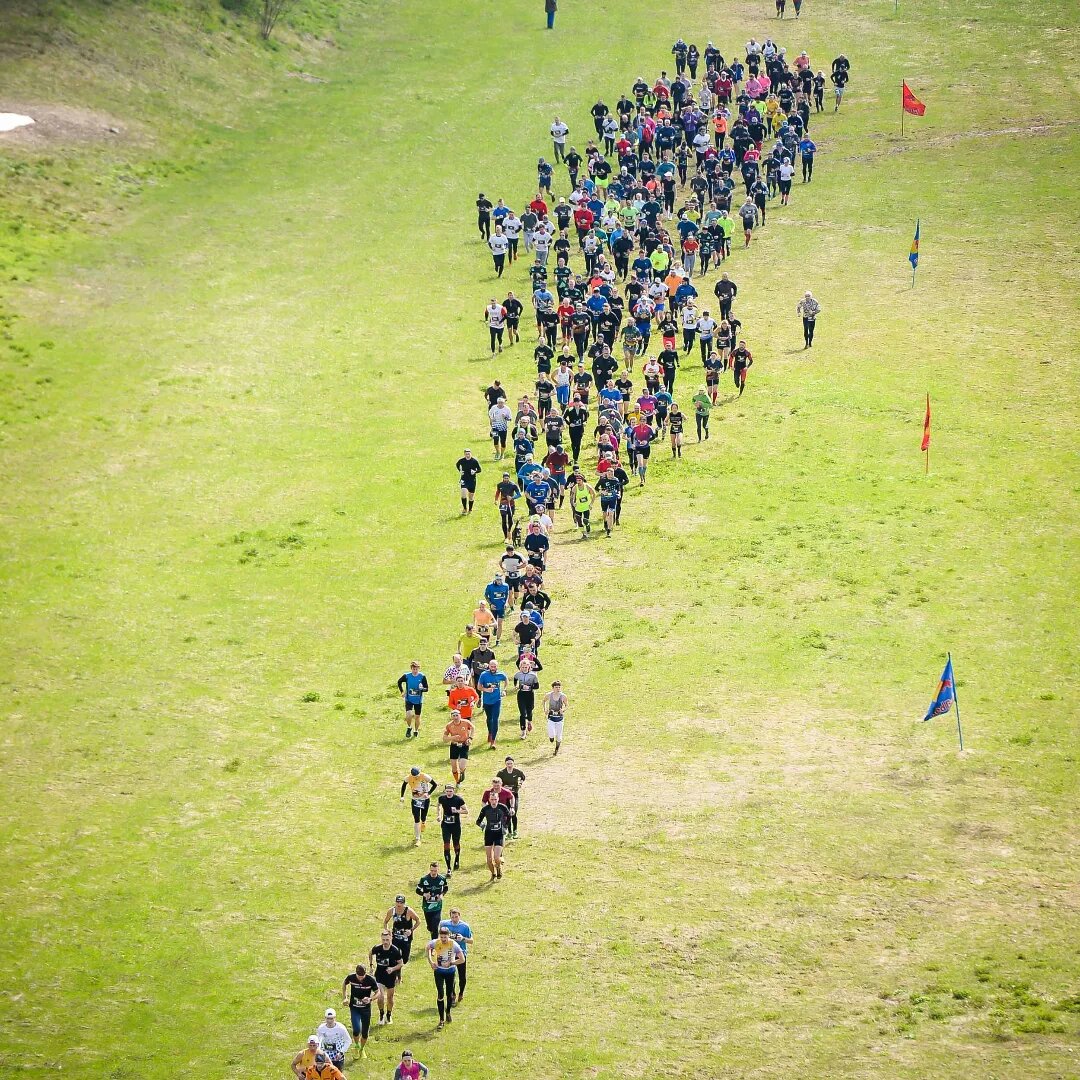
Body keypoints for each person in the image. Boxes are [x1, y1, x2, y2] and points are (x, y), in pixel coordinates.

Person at [427, 925, 465, 1029]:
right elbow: (428, 948)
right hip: (438, 971)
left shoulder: (454, 944)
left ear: (448, 936)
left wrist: (452, 962)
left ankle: (448, 1012)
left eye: (445, 937)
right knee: (440, 994)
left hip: (450, 972)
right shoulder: (435, 942)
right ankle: (441, 1020)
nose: (443, 939)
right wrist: (431, 962)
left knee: (449, 994)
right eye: (442, 937)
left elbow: (462, 959)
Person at [342, 965, 379, 1060]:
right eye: (359, 976)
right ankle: (357, 1046)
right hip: (354, 1008)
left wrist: (370, 999)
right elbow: (344, 984)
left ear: (365, 973)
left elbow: (378, 993)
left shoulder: (370, 980)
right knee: (356, 1030)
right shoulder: (351, 977)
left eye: (362, 976)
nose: (360, 978)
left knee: (365, 1032)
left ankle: (362, 1049)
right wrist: (345, 997)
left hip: (365, 1009)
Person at [439, 908, 473, 1003]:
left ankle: (461, 992)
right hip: (449, 953)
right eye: (452, 917)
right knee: (451, 976)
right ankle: (452, 995)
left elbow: (471, 940)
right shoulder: (444, 924)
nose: (454, 919)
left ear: (459, 916)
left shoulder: (465, 926)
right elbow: (440, 937)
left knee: (462, 976)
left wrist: (462, 939)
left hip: (461, 953)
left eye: (456, 917)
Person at [370, 930, 404, 1025]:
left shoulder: (395, 950)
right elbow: (370, 953)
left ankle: (388, 1015)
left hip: (390, 977)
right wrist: (371, 965)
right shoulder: (377, 948)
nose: (385, 942)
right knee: (380, 997)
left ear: (391, 938)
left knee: (390, 997)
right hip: (379, 975)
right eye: (383, 940)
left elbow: (401, 964)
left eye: (387, 940)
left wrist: (393, 969)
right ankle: (381, 1014)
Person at [476, 790, 512, 879]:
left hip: (499, 834)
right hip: (489, 834)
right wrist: (482, 825)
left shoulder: (502, 807)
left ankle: (499, 868)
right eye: (492, 799)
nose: (494, 801)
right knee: (489, 859)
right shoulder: (485, 809)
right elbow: (478, 821)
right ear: (489, 800)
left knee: (496, 857)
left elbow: (509, 817)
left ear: (498, 799)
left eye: (495, 799)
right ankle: (493, 873)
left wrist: (505, 827)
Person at [383, 894, 422, 970]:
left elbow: (418, 920)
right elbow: (385, 922)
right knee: (395, 957)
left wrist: (411, 930)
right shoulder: (391, 911)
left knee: (405, 959)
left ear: (404, 903)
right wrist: (387, 931)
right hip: (395, 938)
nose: (399, 904)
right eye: (397, 902)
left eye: (401, 903)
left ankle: (399, 968)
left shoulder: (409, 911)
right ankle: (397, 975)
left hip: (406, 939)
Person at [400, 766, 436, 845]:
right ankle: (417, 838)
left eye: (417, 776)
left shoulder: (425, 776)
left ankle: (423, 822)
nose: (416, 777)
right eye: (414, 776)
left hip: (425, 800)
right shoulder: (408, 778)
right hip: (415, 800)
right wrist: (402, 796)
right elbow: (403, 786)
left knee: (423, 817)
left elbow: (435, 785)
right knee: (416, 819)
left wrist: (428, 793)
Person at [476, 658, 508, 747]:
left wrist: (504, 690)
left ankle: (493, 741)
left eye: (495, 666)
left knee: (495, 719)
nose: (493, 668)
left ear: (497, 667)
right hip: (487, 701)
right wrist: (486, 689)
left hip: (497, 700)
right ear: (489, 666)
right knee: (489, 719)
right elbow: (479, 687)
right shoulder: (484, 675)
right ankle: (490, 732)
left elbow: (506, 680)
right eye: (491, 666)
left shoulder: (500, 674)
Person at [437, 782, 467, 872]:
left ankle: (457, 859)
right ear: (445, 791)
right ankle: (448, 867)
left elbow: (466, 811)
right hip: (445, 825)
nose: (449, 793)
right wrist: (439, 815)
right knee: (446, 844)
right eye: (447, 791)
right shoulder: (442, 798)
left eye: (450, 791)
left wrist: (457, 811)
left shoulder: (458, 799)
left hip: (456, 825)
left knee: (456, 843)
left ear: (453, 791)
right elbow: (438, 806)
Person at [443, 701, 474, 785]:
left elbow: (473, 728)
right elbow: (444, 738)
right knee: (454, 767)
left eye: (457, 715)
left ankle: (463, 772)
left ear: (460, 716)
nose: (456, 717)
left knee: (462, 766)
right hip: (454, 745)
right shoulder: (449, 725)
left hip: (464, 745)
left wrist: (470, 738)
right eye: (454, 716)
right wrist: (452, 737)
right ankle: (457, 781)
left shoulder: (465, 722)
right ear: (451, 717)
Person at [416, 860, 451, 937]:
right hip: (427, 907)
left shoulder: (442, 879)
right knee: (430, 927)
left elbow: (446, 888)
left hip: (437, 906)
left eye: (435, 871)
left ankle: (434, 945)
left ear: (438, 870)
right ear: (429, 870)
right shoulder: (424, 879)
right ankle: (431, 930)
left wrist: (442, 895)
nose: (433, 873)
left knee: (435, 926)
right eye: (432, 870)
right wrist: (424, 894)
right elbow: (417, 890)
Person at [496, 755, 527, 838]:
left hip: (514, 794)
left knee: (514, 813)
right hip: (505, 796)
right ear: (505, 764)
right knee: (507, 814)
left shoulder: (517, 772)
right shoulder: (501, 773)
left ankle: (515, 831)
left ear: (513, 763)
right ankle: (509, 832)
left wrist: (520, 783)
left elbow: (523, 777)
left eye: (511, 763)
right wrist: (502, 787)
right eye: (508, 764)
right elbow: (497, 782)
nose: (509, 765)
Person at [513, 656, 540, 740]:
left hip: (530, 695)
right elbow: (515, 681)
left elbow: (537, 686)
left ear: (529, 667)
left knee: (529, 710)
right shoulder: (517, 674)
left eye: (526, 667)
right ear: (520, 667)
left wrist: (530, 687)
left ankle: (529, 721)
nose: (524, 668)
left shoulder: (533, 675)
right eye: (523, 667)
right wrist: (517, 686)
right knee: (522, 713)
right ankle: (523, 731)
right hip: (521, 695)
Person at [543, 680, 567, 755]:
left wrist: (563, 710)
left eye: (559, 687)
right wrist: (545, 710)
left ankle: (556, 749)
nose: (558, 689)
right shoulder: (549, 695)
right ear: (553, 688)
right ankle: (551, 738)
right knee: (551, 734)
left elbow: (567, 705)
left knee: (559, 736)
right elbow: (543, 701)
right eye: (556, 687)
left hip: (560, 719)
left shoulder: (563, 696)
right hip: (551, 718)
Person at [455, 448, 481, 514]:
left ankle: (470, 509)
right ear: (464, 454)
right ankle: (464, 508)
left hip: (472, 480)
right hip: (464, 479)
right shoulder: (462, 460)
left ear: (471, 454)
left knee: (471, 496)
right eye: (466, 454)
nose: (467, 455)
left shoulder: (474, 461)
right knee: (463, 494)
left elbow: (479, 469)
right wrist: (460, 471)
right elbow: (457, 464)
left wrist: (475, 471)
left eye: (469, 454)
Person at [495, 471, 520, 539]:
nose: (506, 479)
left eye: (507, 478)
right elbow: (497, 493)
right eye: (505, 478)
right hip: (503, 504)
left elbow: (519, 494)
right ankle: (505, 536)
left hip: (511, 504)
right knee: (503, 520)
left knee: (510, 519)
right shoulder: (500, 485)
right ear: (503, 478)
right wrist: (496, 500)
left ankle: (509, 531)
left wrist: (512, 497)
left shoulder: (513, 485)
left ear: (509, 478)